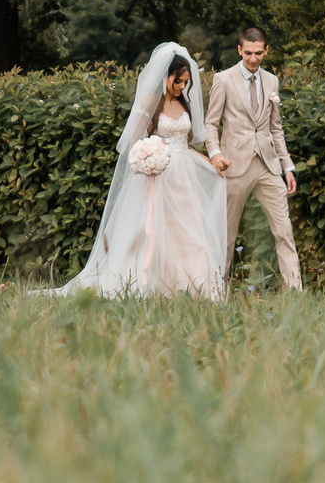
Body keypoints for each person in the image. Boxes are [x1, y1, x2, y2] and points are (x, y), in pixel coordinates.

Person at [51, 41, 233, 298]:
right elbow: (134, 143)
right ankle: (153, 286)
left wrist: (212, 163)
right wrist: (150, 156)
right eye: (177, 81)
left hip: (185, 179)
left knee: (190, 234)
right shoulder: (152, 103)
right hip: (160, 179)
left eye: (185, 82)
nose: (182, 87)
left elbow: (186, 146)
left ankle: (194, 287)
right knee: (156, 235)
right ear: (165, 76)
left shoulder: (185, 104)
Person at [207, 25, 301, 290]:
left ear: (266, 51)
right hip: (234, 166)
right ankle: (217, 291)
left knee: (284, 232)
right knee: (226, 235)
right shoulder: (223, 79)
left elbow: (276, 127)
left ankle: (295, 293)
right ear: (239, 50)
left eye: (258, 53)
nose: (253, 58)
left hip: (269, 167)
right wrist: (215, 154)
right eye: (248, 52)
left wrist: (287, 167)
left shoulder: (272, 80)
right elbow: (210, 124)